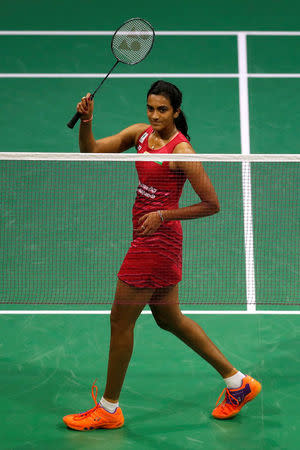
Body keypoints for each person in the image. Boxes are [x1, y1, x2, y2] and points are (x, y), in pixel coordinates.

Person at [63, 80, 261, 431]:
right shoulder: (140, 135)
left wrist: (164, 214)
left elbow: (212, 204)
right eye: (150, 108)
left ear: (176, 112)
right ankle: (238, 383)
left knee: (119, 321)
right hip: (148, 238)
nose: (155, 116)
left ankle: (109, 408)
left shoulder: (181, 151)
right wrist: (88, 121)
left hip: (156, 243)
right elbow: (90, 151)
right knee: (169, 319)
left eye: (162, 110)